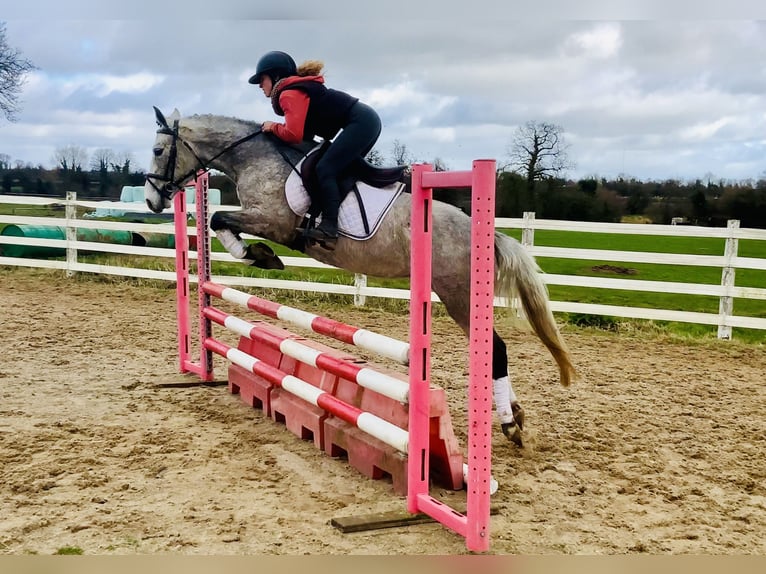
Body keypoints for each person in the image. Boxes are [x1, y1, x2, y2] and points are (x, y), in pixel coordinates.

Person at [249, 50, 382, 251]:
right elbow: (304, 138)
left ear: (276, 76)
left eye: (262, 79)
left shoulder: (289, 93)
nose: (260, 85)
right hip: (365, 121)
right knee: (334, 170)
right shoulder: (295, 91)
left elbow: (293, 135)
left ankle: (329, 228)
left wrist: (272, 127)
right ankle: (337, 221)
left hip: (361, 123)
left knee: (326, 169)